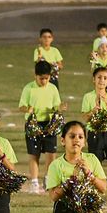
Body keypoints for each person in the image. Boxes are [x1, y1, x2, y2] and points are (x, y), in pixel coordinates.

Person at [19, 60, 65, 193]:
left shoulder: (53, 88)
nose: (44, 81)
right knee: (34, 154)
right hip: (33, 125)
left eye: (46, 78)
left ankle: (48, 177)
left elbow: (56, 105)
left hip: (49, 125)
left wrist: (59, 108)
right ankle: (34, 182)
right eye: (41, 78)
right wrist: (27, 109)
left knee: (51, 153)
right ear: (35, 76)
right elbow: (21, 106)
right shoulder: (29, 88)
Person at [81, 67, 107, 211]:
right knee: (95, 168)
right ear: (94, 79)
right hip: (95, 135)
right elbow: (85, 117)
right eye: (99, 77)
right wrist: (94, 109)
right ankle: (95, 199)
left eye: (105, 78)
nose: (102, 80)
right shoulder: (87, 97)